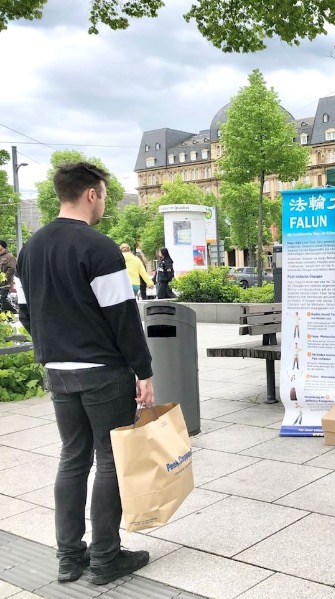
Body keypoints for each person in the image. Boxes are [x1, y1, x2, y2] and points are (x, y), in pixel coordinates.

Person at [14, 162, 153, 585]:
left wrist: (54, 343)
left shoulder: (30, 249)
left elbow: (23, 311)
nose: (105, 202)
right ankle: (107, 558)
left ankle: (69, 557)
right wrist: (142, 371)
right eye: (105, 195)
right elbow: (122, 317)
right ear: (92, 194)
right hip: (102, 371)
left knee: (73, 457)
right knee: (109, 459)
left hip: (57, 371)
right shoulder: (100, 248)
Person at [0, 239, 17, 313]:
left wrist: (3, 279)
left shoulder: (9, 257)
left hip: (5, 284)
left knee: (2, 298)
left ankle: (13, 312)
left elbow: (12, 269)